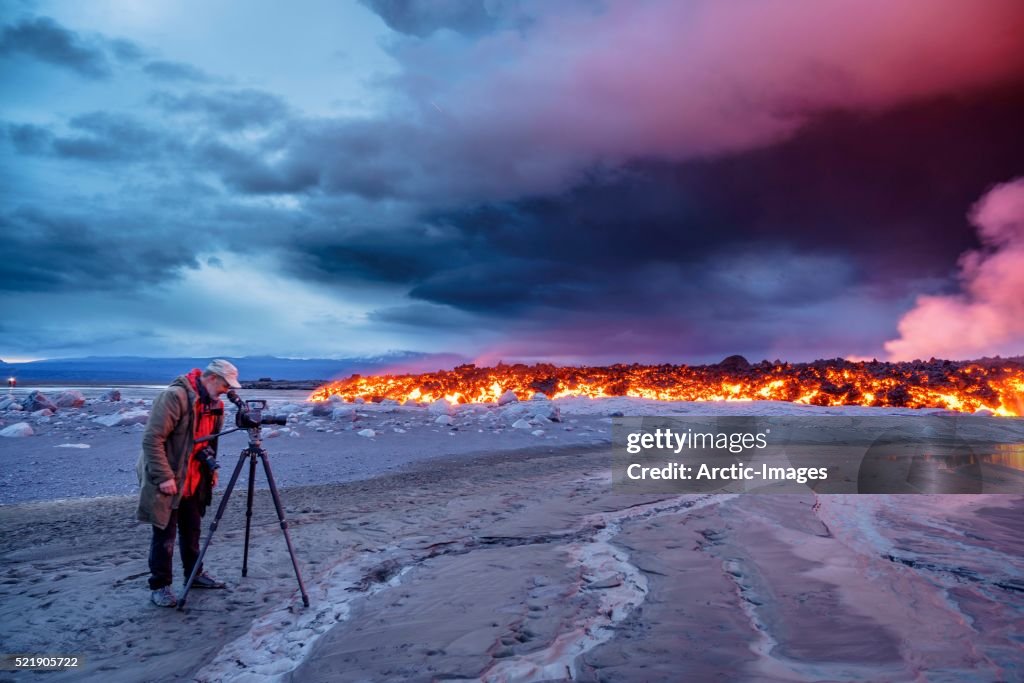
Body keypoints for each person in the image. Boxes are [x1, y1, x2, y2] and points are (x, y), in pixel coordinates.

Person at [137, 359, 241, 607]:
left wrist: (211, 470)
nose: (228, 390)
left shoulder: (215, 403)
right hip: (169, 476)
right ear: (212, 378)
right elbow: (152, 439)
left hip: (195, 477)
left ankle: (194, 575)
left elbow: (210, 442)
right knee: (165, 534)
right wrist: (164, 477)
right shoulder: (175, 397)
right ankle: (160, 586)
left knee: (192, 529)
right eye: (226, 384)